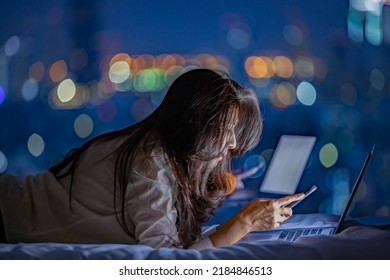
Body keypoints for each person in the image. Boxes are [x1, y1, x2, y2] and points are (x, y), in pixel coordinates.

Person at [0, 69, 303, 249]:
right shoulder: (151, 163)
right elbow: (165, 264)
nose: (233, 143)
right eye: (225, 131)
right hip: (7, 216)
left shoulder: (167, 157)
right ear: (195, 126)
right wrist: (242, 223)